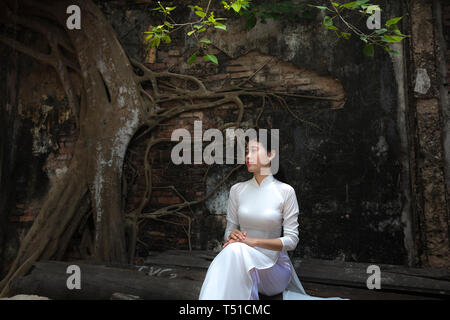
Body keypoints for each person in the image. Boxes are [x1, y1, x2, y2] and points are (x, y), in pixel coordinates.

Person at [198, 130, 348, 300]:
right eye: (247, 151)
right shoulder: (237, 190)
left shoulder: (285, 192)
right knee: (234, 249)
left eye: (254, 150)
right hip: (242, 261)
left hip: (274, 270)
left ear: (270, 155)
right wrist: (232, 235)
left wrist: (253, 242)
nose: (248, 155)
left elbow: (292, 240)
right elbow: (228, 233)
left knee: (235, 250)